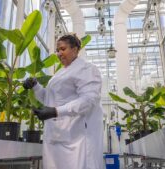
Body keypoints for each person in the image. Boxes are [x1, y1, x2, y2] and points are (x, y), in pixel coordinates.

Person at [23, 33, 104, 169]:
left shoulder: (86, 69)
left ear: (75, 49)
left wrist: (56, 112)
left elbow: (89, 100)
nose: (59, 53)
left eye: (63, 49)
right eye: (57, 50)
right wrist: (36, 86)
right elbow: (49, 99)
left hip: (76, 138)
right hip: (56, 135)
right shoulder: (60, 73)